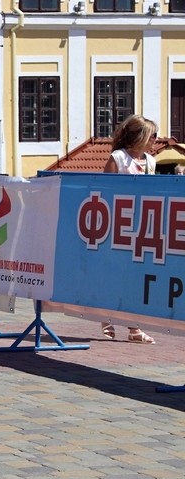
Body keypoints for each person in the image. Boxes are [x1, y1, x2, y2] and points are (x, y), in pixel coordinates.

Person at [102, 114, 157, 344]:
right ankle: (106, 318)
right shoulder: (118, 159)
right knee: (115, 275)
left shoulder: (151, 162)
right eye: (152, 135)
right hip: (118, 226)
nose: (156, 139)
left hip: (142, 226)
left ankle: (135, 328)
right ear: (140, 136)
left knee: (136, 278)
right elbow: (104, 191)